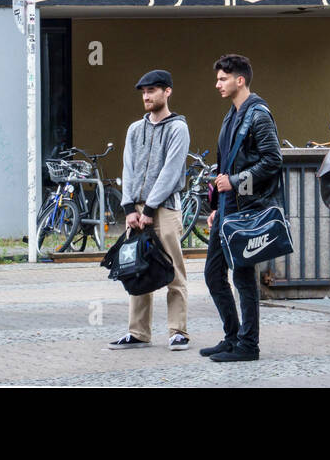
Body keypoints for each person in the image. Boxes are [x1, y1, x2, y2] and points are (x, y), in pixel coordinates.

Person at [202, 54, 283, 363]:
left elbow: (273, 160)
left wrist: (235, 182)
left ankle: (248, 345)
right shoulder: (232, 114)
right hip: (227, 210)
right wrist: (216, 204)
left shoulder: (258, 114)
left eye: (223, 79)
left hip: (247, 209)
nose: (217, 84)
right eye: (218, 78)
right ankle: (233, 336)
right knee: (213, 274)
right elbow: (224, 163)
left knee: (244, 278)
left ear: (240, 80)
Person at [108, 70, 192, 351]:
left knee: (173, 269)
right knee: (136, 269)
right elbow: (128, 168)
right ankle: (138, 332)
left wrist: (151, 208)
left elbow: (170, 172)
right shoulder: (135, 129)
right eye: (143, 91)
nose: (147, 95)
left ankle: (177, 331)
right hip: (137, 210)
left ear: (167, 92)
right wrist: (129, 207)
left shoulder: (178, 128)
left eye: (153, 90)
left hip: (165, 208)